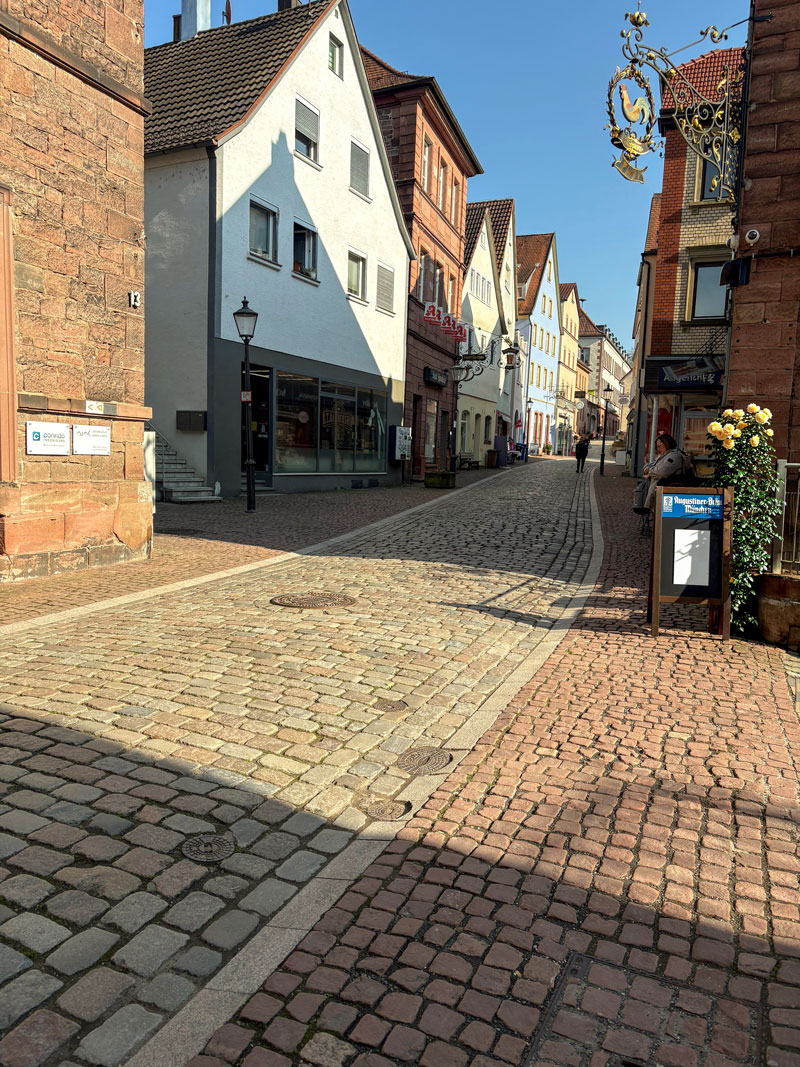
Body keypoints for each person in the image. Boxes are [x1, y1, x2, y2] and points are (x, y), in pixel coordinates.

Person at [644, 433, 684, 508]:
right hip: (658, 493)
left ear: (666, 444)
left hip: (665, 494)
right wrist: (648, 469)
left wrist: (650, 471)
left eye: (660, 446)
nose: (658, 449)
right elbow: (651, 465)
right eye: (657, 447)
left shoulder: (674, 456)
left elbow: (661, 472)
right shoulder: (664, 456)